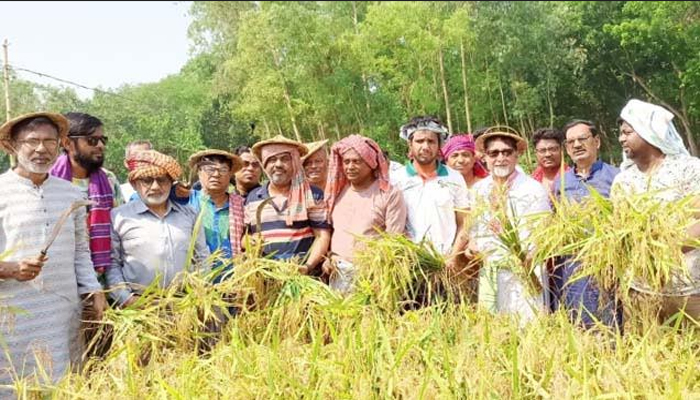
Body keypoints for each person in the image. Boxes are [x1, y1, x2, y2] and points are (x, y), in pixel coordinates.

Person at [0, 112, 105, 387]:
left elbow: (81, 251)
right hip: (14, 317)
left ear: (60, 146)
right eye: (32, 141)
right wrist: (9, 269)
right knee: (17, 384)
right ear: (12, 145)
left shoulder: (71, 194)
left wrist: (93, 290)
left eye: (49, 141)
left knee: (64, 383)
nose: (41, 149)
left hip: (62, 313)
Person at [612, 98, 700, 320]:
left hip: (688, 289)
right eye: (621, 133)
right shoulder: (623, 180)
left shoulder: (688, 169)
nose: (621, 138)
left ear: (647, 130)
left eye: (627, 132)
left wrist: (663, 248)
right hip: (641, 291)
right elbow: (620, 227)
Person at [106, 150, 210, 307]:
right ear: (134, 184)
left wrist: (198, 293)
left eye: (162, 180)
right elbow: (111, 264)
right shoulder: (118, 217)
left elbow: (203, 256)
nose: (155, 187)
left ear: (171, 183)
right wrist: (126, 299)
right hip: (138, 309)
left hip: (184, 306)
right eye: (147, 181)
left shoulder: (190, 214)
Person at [469, 127, 550, 321]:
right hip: (491, 272)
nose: (500, 158)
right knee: (494, 331)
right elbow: (474, 229)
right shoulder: (479, 190)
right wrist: (473, 247)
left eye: (507, 152)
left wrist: (529, 258)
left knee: (529, 328)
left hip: (525, 272)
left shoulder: (532, 189)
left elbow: (544, 231)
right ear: (485, 157)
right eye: (494, 153)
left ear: (516, 155)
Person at [550, 120, 622, 329]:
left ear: (597, 142)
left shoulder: (616, 177)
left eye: (583, 139)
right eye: (571, 141)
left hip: (607, 265)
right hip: (572, 268)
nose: (577, 145)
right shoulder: (561, 183)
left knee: (611, 327)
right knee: (577, 325)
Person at [323, 134, 407, 293]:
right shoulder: (339, 192)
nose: (350, 167)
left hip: (372, 278)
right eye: (346, 162)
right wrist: (329, 258)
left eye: (357, 161)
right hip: (338, 274)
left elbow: (394, 241)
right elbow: (333, 233)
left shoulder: (389, 194)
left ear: (370, 163)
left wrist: (376, 273)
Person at [390, 116, 469, 271]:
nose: (425, 146)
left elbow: (464, 223)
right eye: (419, 141)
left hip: (447, 265)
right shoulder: (396, 179)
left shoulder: (454, 178)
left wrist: (453, 256)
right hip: (409, 265)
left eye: (431, 141)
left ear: (439, 145)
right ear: (410, 145)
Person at [50, 112, 123, 275]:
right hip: (62, 274)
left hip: (104, 275)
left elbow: (119, 227)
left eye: (103, 140)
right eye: (92, 140)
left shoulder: (109, 180)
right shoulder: (49, 180)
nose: (101, 146)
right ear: (67, 143)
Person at [245, 135, 331, 274]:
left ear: (295, 163)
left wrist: (307, 266)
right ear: (264, 165)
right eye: (272, 159)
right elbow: (246, 235)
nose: (278, 164)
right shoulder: (253, 197)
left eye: (285, 159)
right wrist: (250, 242)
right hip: (266, 276)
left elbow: (322, 235)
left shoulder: (311, 195)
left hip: (302, 276)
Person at [185, 149, 243, 281]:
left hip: (233, 282)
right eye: (210, 169)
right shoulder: (187, 202)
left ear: (230, 175)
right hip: (196, 283)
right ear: (199, 172)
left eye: (223, 170)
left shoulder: (241, 204)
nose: (216, 174)